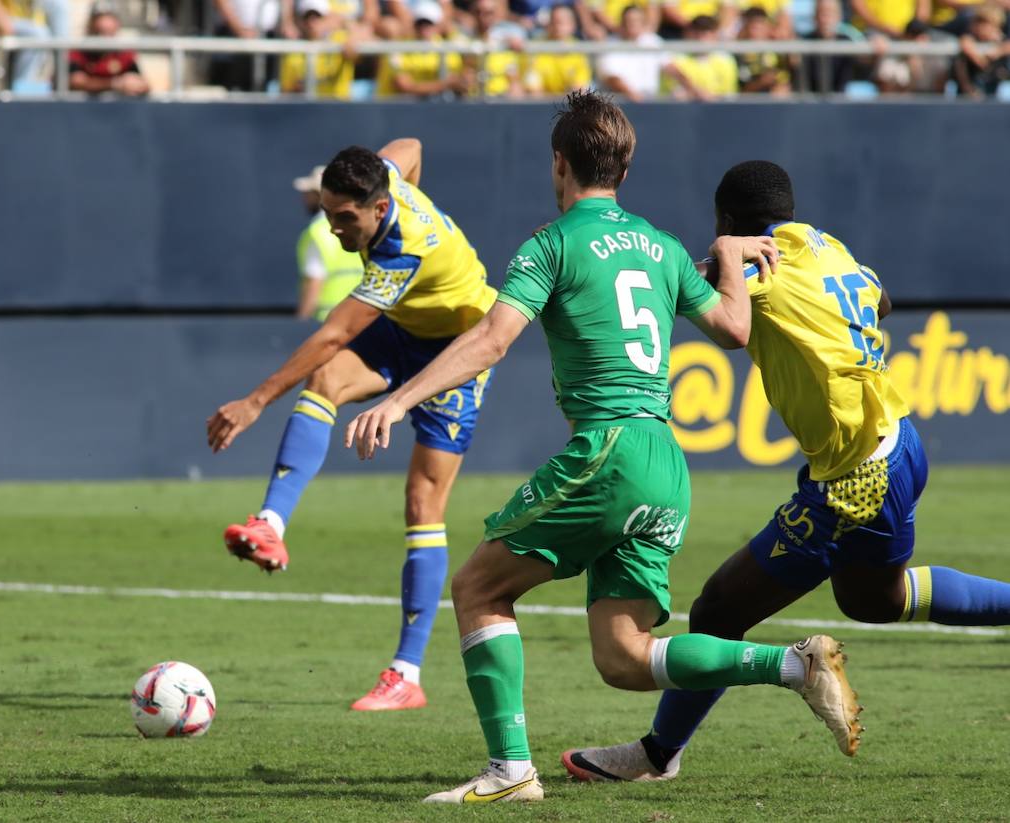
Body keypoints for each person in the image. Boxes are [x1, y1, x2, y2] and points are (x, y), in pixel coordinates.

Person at [344, 92, 862, 804]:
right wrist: (734, 254)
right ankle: (795, 665)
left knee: (476, 588)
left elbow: (493, 340)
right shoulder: (661, 247)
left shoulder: (549, 244)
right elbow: (736, 330)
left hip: (607, 449)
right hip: (665, 461)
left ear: (559, 162)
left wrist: (400, 398)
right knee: (623, 658)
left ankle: (510, 770)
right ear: (625, 165)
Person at [563, 159, 1010, 783]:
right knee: (872, 600)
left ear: (727, 220)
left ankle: (657, 755)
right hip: (900, 443)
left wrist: (719, 255)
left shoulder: (755, 267)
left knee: (717, 610)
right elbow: (880, 297)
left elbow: (716, 319)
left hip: (856, 478)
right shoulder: (825, 245)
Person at [209, 139, 497, 712]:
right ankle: (270, 523)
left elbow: (333, 334)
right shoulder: (385, 178)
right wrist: (401, 177)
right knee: (326, 385)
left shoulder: (401, 253)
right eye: (327, 214)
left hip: (457, 351)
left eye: (346, 218)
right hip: (406, 330)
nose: (337, 230)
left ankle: (406, 674)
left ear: (379, 209)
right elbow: (411, 146)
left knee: (423, 502)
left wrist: (257, 400)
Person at [293, 164, 364, 321]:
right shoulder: (358, 226)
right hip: (360, 318)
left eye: (309, 193)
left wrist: (301, 322)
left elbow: (314, 282)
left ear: (320, 195)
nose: (305, 197)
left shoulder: (317, 232)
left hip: (328, 321)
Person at [68, 7, 150, 96]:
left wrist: (134, 84)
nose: (105, 39)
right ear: (91, 27)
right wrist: (114, 84)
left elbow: (144, 85)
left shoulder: (124, 54)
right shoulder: (79, 52)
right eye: (100, 32)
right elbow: (75, 82)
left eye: (109, 33)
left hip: (117, 108)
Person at [595, 5, 666, 101]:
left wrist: (691, 89)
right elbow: (610, 77)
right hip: (619, 104)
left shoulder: (653, 41)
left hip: (647, 101)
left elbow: (671, 66)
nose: (632, 24)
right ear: (622, 23)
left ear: (643, 23)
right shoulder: (609, 44)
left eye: (636, 21)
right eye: (629, 21)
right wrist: (634, 96)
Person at [522, 4, 592, 97]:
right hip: (541, 106)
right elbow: (534, 90)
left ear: (573, 25)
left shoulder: (578, 51)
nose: (557, 26)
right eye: (554, 21)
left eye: (562, 22)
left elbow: (579, 89)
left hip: (568, 106)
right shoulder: (536, 48)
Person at [661, 14, 737, 99]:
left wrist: (708, 96)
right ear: (688, 34)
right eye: (697, 33)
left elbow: (728, 95)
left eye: (705, 34)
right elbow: (673, 92)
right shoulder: (674, 58)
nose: (700, 39)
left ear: (715, 36)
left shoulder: (725, 60)